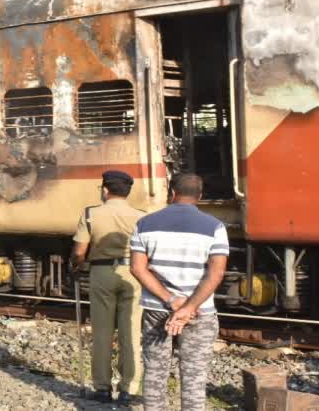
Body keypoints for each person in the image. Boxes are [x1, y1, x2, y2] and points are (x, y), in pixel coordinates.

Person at [129, 172, 229, 411]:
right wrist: (189, 308)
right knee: (194, 375)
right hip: (199, 312)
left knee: (154, 371)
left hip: (157, 309)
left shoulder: (144, 224)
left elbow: (137, 268)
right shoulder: (215, 227)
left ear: (171, 193)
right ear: (200, 196)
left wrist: (171, 300)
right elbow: (215, 274)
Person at [71, 169, 146, 404]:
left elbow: (79, 252)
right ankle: (129, 390)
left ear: (105, 190)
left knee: (102, 333)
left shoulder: (91, 214)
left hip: (101, 273)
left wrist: (75, 266)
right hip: (133, 274)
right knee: (131, 332)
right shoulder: (141, 217)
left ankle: (102, 389)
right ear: (127, 191)